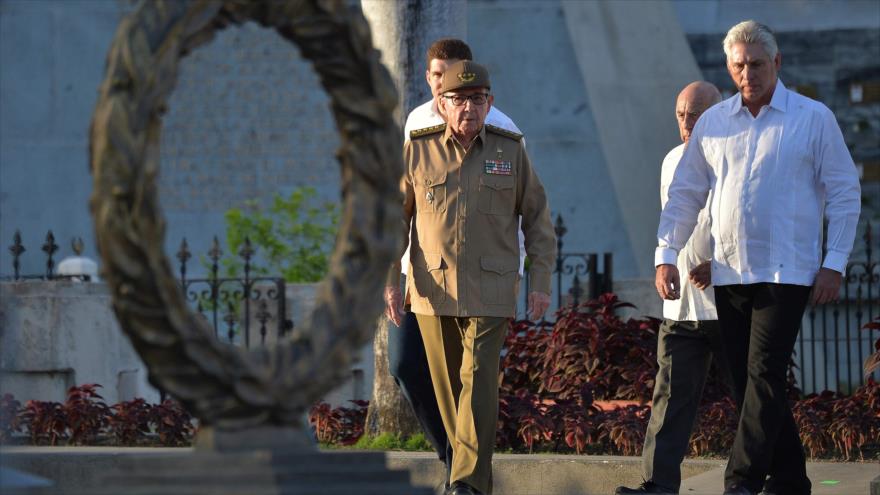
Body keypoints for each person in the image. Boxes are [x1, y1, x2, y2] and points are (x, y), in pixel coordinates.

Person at [655, 21, 861, 495]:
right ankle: (790, 478)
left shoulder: (813, 118)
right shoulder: (713, 122)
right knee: (748, 385)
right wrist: (666, 254)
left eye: (757, 64)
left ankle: (741, 481)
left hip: (786, 273)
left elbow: (845, 193)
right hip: (729, 273)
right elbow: (686, 195)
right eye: (739, 65)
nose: (748, 73)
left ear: (777, 63)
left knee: (765, 374)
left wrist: (834, 262)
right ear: (729, 68)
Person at [385, 61, 556, 495]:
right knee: (446, 390)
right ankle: (468, 476)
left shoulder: (510, 149)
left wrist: (539, 282)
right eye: (458, 100)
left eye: (477, 100)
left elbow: (537, 217)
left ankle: (466, 484)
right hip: (432, 288)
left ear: (489, 103)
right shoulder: (417, 150)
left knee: (477, 379)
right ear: (441, 104)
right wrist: (390, 278)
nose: (468, 108)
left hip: (491, 286)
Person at [615, 81, 725, 495]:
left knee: (755, 398)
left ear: (718, 112)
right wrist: (664, 262)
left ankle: (774, 477)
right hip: (682, 310)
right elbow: (672, 223)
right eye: (681, 115)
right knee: (669, 398)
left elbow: (753, 225)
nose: (686, 123)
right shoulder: (671, 161)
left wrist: (722, 266)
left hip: (731, 303)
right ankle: (658, 485)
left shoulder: (736, 157)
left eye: (695, 114)